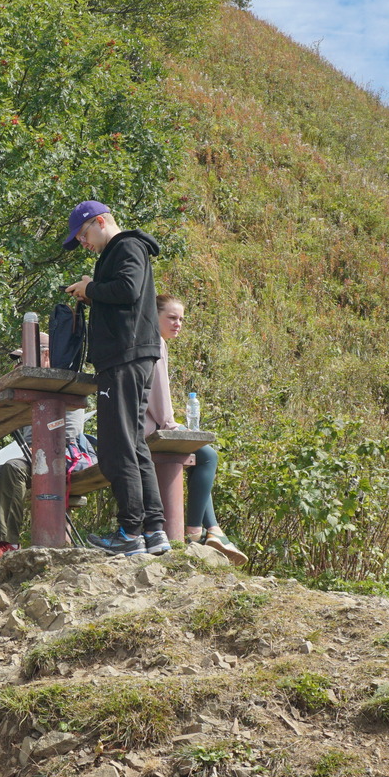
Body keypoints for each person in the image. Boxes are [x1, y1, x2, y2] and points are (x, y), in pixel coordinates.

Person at [63, 199, 167, 559]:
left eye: (83, 234)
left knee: (115, 447)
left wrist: (91, 288)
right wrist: (93, 291)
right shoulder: (125, 249)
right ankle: (153, 530)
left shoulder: (126, 246)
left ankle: (130, 531)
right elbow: (125, 296)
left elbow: (127, 289)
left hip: (124, 357)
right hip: (131, 355)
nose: (83, 243)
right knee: (133, 444)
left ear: (101, 221)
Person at [147, 295, 246, 563]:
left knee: (203, 455)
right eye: (171, 317)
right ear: (154, 316)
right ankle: (195, 531)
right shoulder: (154, 342)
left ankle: (213, 530)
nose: (178, 323)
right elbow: (156, 395)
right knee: (208, 455)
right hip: (148, 428)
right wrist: (172, 424)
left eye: (181, 319)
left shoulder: (156, 341)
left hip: (147, 424)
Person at [0, 414, 97, 560]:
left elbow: (72, 428)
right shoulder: (28, 398)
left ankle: (9, 542)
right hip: (33, 455)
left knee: (14, 467)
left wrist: (42, 443)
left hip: (61, 456)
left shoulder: (65, 393)